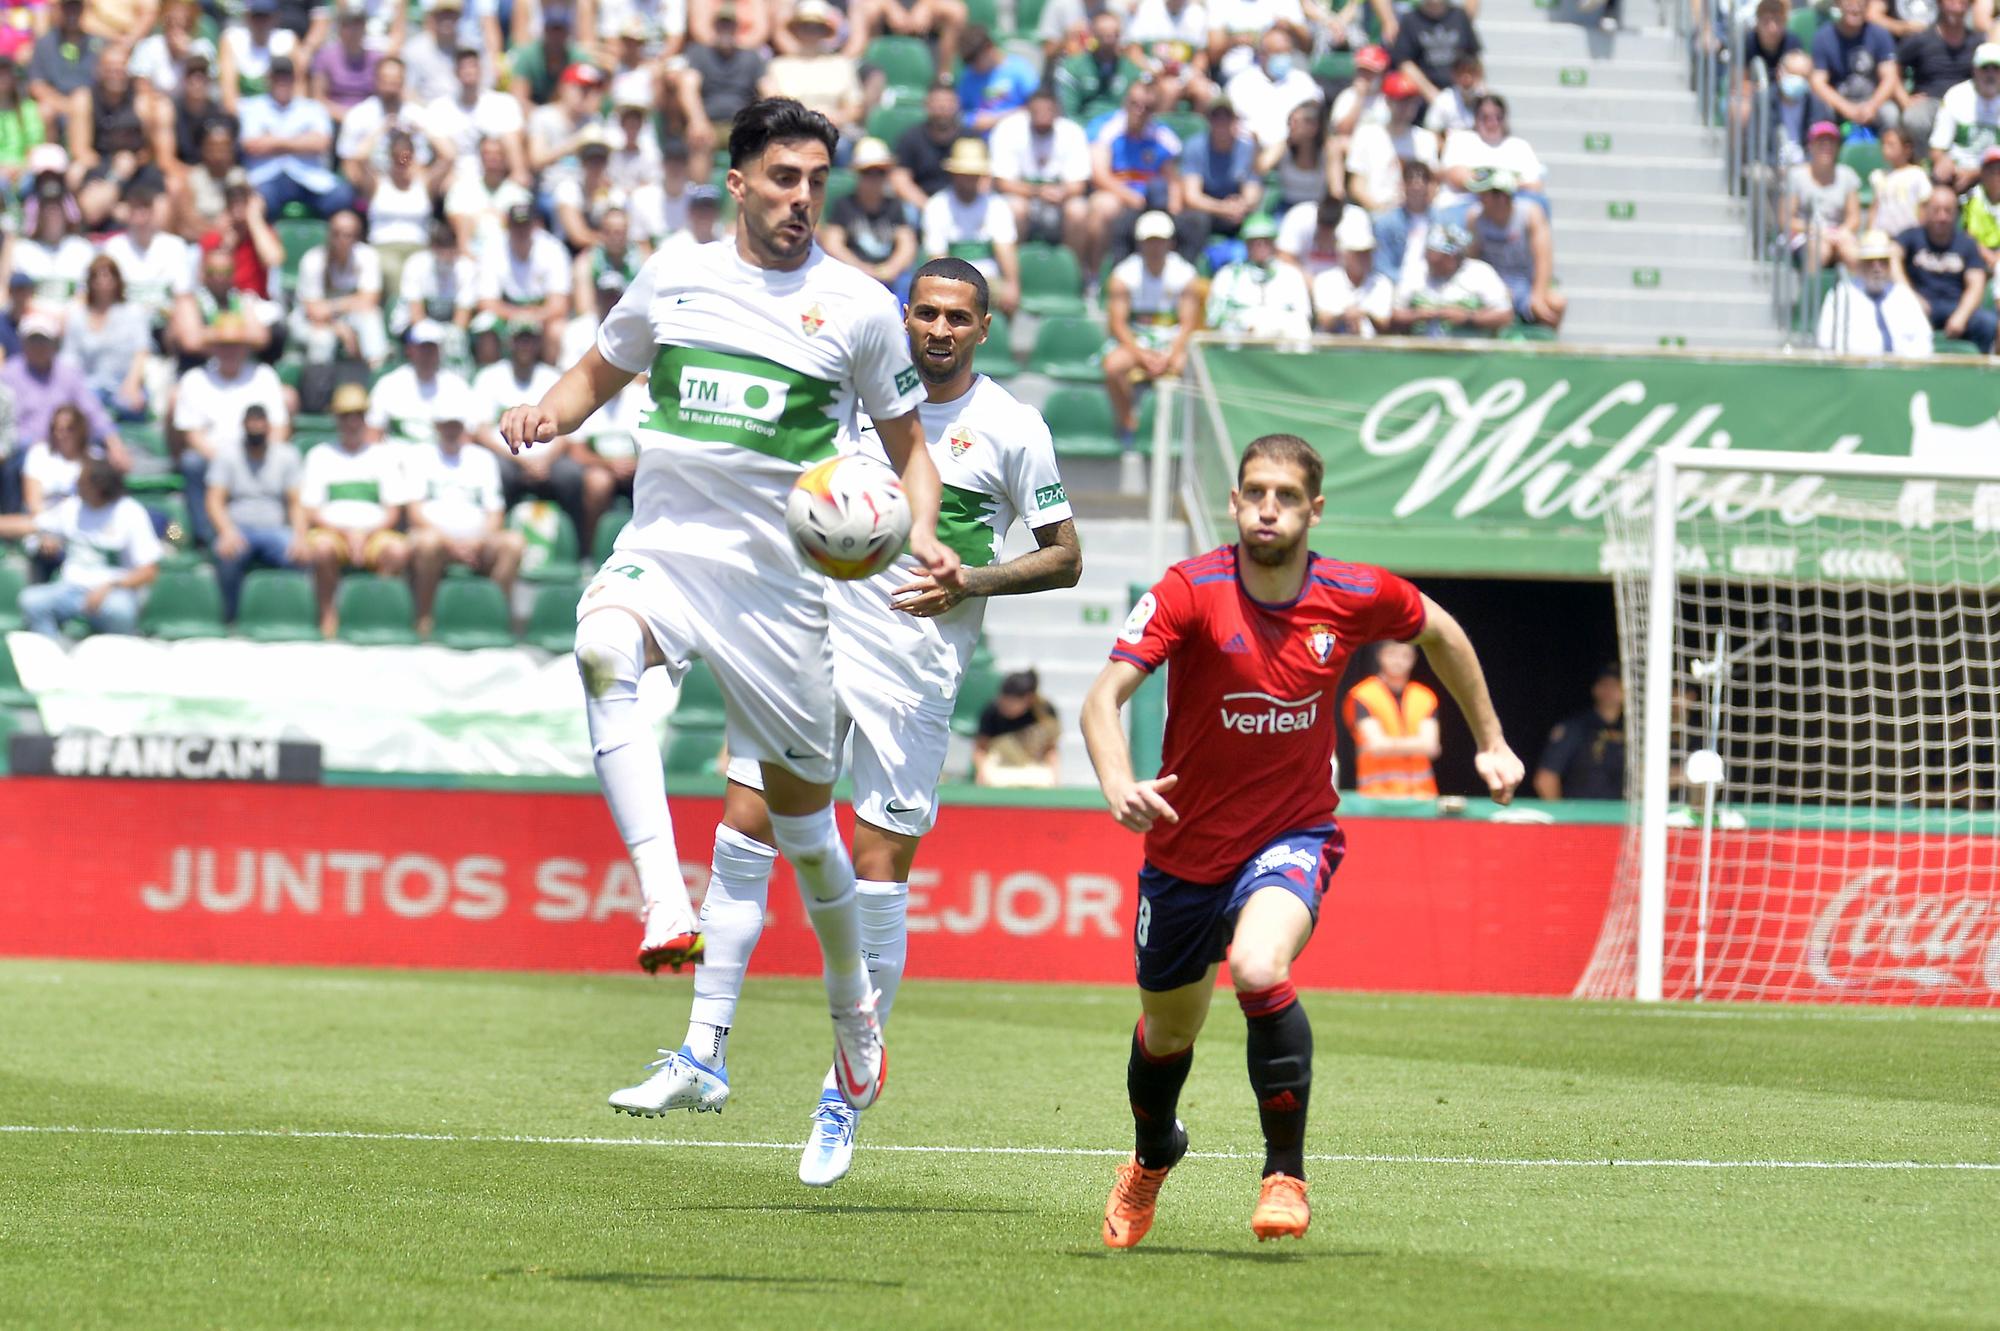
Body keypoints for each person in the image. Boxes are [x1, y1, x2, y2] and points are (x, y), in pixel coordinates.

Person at [497, 98, 964, 1118]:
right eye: (784, 178)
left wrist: (922, 529)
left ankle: (853, 1013)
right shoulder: (674, 274)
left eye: (816, 182)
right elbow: (597, 370)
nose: (802, 198)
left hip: (781, 594)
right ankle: (665, 901)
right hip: (667, 552)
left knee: (806, 831)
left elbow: (910, 450)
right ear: (738, 182)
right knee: (601, 649)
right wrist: (545, 412)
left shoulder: (858, 305)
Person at [610, 257, 1080, 1185]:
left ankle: (840, 1095)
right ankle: (703, 1050)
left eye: (958, 317)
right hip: (805, 644)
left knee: (877, 870)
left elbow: (1065, 555)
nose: (939, 329)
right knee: (745, 823)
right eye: (926, 313)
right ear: (904, 317)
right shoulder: (854, 399)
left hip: (913, 669)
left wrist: (973, 578)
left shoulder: (1012, 426)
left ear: (984, 328)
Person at [1080, 431, 1523, 1248]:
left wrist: (1491, 739)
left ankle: (1284, 1174)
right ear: (1234, 501)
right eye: (1255, 492)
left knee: (1258, 965)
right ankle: (1152, 1153)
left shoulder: (1353, 592)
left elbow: (1442, 631)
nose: (1268, 508)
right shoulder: (1189, 589)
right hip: (1184, 851)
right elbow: (1102, 697)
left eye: (1285, 496)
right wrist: (1117, 781)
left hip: (1293, 832)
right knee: (1169, 1032)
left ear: (1314, 509)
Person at [406, 388, 524, 637]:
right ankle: (424, 618)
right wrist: (450, 543)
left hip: (478, 541)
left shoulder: (483, 459)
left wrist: (478, 541)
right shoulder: (419, 456)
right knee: (427, 543)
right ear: (437, 426)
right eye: (446, 425)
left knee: (513, 543)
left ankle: (491, 617)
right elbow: (414, 512)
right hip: (436, 538)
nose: (451, 431)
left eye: (456, 425)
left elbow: (495, 512)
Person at [301, 382, 414, 637]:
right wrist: (347, 533)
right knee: (321, 549)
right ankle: (328, 615)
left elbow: (393, 512)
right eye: (345, 416)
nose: (352, 423)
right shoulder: (320, 455)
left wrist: (364, 534)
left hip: (374, 533)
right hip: (332, 533)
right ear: (336, 419)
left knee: (397, 551)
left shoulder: (384, 456)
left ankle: (374, 611)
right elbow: (311, 510)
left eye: (357, 416)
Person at [3, 459, 158, 638]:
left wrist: (110, 586)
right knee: (31, 601)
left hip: (114, 593)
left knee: (120, 611)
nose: (76, 485)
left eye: (82, 482)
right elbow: (30, 525)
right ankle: (55, 649)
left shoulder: (130, 512)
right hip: (71, 589)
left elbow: (149, 571)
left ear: (99, 487)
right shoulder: (73, 508)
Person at [171, 313, 290, 546]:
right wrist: (227, 461)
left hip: (259, 454)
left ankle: (279, 528)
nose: (230, 351)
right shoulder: (195, 379)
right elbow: (192, 435)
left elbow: (280, 427)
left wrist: (258, 455)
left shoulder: (264, 376)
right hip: (213, 457)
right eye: (224, 345)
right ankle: (204, 537)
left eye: (236, 345)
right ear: (213, 348)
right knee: (191, 462)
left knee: (287, 458)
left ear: (246, 348)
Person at [1103, 210, 1199, 446]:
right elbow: (1118, 323)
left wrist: (1171, 354)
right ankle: (1128, 423)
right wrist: (1141, 355)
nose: (1155, 247)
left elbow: (1188, 322)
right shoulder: (1123, 275)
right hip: (1137, 339)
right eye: (1150, 241)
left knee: (1191, 369)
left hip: (1171, 341)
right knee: (1113, 366)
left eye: (1160, 241)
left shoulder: (1185, 274)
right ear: (1140, 243)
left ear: (1170, 243)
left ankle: (1187, 430)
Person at [206, 404, 306, 621]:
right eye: (252, 424)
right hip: (238, 529)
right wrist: (226, 532)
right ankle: (230, 620)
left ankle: (294, 619)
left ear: (269, 427)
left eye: (260, 423)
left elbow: (296, 503)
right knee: (226, 554)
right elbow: (214, 500)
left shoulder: (287, 455)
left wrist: (300, 537)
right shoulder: (227, 455)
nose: (256, 428)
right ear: (243, 426)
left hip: (275, 529)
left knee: (301, 557)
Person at [239, 56, 353, 219]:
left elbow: (321, 143)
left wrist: (272, 140)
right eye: (277, 77)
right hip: (267, 178)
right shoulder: (251, 107)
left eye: (287, 77)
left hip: (308, 177)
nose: (282, 82)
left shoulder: (313, 108)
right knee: (257, 201)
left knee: (342, 196)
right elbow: (251, 145)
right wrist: (300, 140)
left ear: (295, 79)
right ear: (268, 79)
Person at [919, 137, 1022, 316]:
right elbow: (937, 258)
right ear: (954, 174)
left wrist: (1012, 284)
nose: (969, 180)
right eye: (964, 174)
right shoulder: (937, 206)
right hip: (951, 282)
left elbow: (1005, 248)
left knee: (1005, 299)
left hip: (990, 280)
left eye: (974, 174)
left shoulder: (996, 205)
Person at [988, 85, 1093, 252]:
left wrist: (1060, 193)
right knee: (1016, 208)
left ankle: (1073, 265)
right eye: (1038, 110)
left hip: (1059, 202)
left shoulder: (1072, 132)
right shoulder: (1008, 129)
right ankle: (1014, 262)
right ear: (1028, 110)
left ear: (1057, 111)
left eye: (1048, 110)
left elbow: (1079, 185)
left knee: (1078, 210)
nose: (1043, 115)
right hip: (1023, 199)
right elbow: (1002, 182)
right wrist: (1037, 192)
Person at [1898, 182, 1995, 351]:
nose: (1942, 217)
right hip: (1919, 307)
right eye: (1936, 210)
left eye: (1948, 211)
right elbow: (1890, 258)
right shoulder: (1910, 237)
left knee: (1988, 324)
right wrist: (1911, 298)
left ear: (1956, 213)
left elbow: (1976, 284)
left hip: (1955, 307)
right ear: (1926, 211)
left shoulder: (1967, 244)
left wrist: (1961, 316)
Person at [820, 136, 918, 298]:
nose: (874, 178)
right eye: (867, 173)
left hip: (891, 278)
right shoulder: (844, 205)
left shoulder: (895, 205)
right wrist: (861, 269)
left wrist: (892, 268)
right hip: (852, 277)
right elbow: (832, 244)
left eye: (880, 172)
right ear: (857, 175)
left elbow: (907, 244)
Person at [1466, 166, 1564, 330]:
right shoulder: (1475, 217)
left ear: (1501, 196)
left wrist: (1538, 296)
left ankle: (1547, 342)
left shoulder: (1530, 214)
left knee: (1555, 304)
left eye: (1484, 194)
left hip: (1525, 281)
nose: (1479, 199)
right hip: (1493, 282)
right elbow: (1472, 260)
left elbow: (1543, 259)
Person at [1341, 639, 1439, 799]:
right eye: (1392, 654)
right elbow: (1376, 746)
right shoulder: (1363, 695)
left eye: (1405, 655)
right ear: (1380, 655)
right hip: (1377, 796)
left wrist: (1388, 744)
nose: (1398, 661)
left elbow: (1431, 746)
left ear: (1414, 659)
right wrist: (1418, 744)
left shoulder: (1425, 697)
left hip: (1422, 796)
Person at [1817, 227, 1935, 354]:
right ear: (1860, 265)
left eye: (1883, 262)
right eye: (1870, 261)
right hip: (1855, 364)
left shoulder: (1903, 295)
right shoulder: (1842, 294)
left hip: (1901, 364)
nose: (1877, 268)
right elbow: (1825, 340)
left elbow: (1925, 339)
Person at [63, 256, 149, 421]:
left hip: (123, 383)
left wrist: (132, 384)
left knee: (131, 405)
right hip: (90, 385)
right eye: (97, 276)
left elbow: (141, 351)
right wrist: (74, 389)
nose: (103, 281)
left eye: (108, 275)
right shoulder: (78, 316)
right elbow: (70, 358)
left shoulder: (133, 312)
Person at [1391, 222, 1513, 338]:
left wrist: (1468, 318)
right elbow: (1395, 314)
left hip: (1470, 348)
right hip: (1420, 347)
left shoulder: (1480, 272)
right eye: (1429, 257)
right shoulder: (1416, 271)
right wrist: (1416, 315)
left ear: (1453, 257)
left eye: (1438, 261)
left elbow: (1504, 316)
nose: (1431, 263)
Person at [1204, 213, 1313, 338]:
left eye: (1266, 241)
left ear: (1274, 243)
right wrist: (1244, 322)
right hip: (1240, 341)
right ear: (1246, 244)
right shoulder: (1228, 275)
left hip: (1282, 341)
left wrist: (1270, 322)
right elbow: (1214, 318)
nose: (1260, 246)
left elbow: (1303, 316)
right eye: (1254, 242)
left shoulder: (1291, 275)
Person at [1533, 665, 1624, 800]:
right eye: (1604, 684)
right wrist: (1560, 812)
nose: (1609, 690)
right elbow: (1546, 778)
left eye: (1616, 685)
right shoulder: (1575, 727)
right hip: (1583, 810)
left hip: (1626, 811)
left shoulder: (1636, 734)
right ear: (1595, 689)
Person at [1810, 0, 1902, 134]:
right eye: (1849, 3)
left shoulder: (1880, 34)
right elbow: (1818, 83)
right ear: (1838, 4)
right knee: (1822, 111)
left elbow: (1889, 77)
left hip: (1872, 101)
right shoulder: (1823, 37)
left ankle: (1889, 147)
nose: (1855, 8)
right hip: (1839, 102)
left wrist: (1872, 106)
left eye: (1861, 3)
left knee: (1891, 113)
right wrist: (1846, 108)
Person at [1784, 121, 1861, 271]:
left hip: (1838, 234)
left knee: (1852, 252)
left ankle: (1860, 285)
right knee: (1821, 250)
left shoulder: (1847, 175)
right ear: (1811, 146)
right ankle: (1812, 285)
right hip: (1806, 234)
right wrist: (1816, 230)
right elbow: (1786, 219)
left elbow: (1854, 218)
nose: (1827, 147)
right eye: (1821, 142)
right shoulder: (1796, 176)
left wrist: (1841, 232)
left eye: (1831, 142)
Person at [1927, 42, 2000, 192]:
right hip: (1957, 172)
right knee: (1940, 186)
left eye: (1996, 68)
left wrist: (1976, 174)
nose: (1990, 74)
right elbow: (1937, 148)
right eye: (1985, 68)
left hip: (1995, 175)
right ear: (1975, 70)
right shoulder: (1956, 96)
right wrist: (1945, 163)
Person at [1312, 210, 1394, 334]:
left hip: (1369, 345)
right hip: (1331, 344)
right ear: (1345, 255)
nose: (1364, 258)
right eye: (1358, 254)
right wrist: (1345, 315)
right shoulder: (1325, 280)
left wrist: (1363, 314)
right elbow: (1324, 320)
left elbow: (1384, 324)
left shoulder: (1382, 283)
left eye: (1367, 253)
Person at [975, 668, 1062, 786]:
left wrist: (1055, 775)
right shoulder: (992, 712)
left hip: (1032, 768)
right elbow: (981, 748)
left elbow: (1050, 748)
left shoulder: (1045, 712)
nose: (1005, 706)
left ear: (1028, 699)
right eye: (1003, 700)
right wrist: (981, 772)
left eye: (1011, 702)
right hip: (1001, 767)